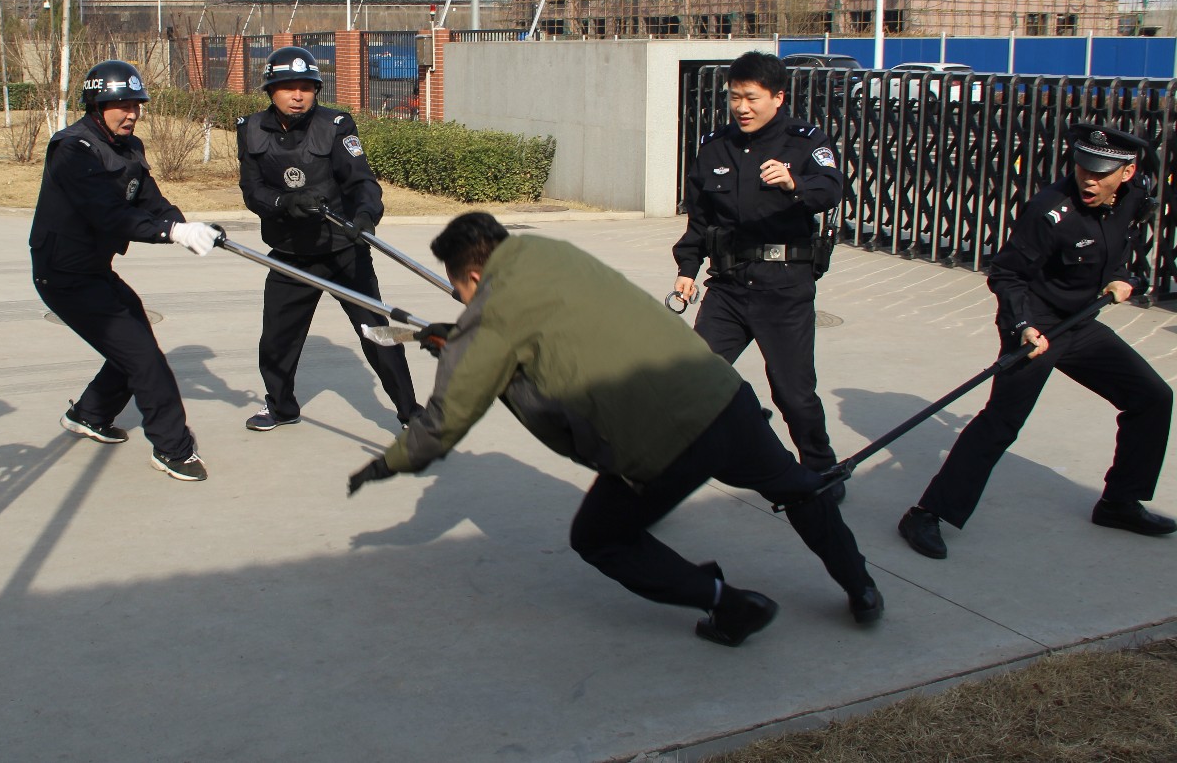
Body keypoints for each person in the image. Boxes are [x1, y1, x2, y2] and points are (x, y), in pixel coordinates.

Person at [348, 212, 881, 647]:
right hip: (720, 396)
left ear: (469, 274)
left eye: (462, 290)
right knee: (794, 485)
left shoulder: (487, 316)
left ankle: (730, 604)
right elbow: (538, 335)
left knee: (599, 538)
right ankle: (861, 586)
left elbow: (445, 420)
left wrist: (383, 464)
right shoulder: (551, 255)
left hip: (664, 445)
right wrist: (463, 335)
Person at [899, 123, 1174, 558]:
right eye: (1083, 167)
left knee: (1152, 398)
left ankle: (1119, 502)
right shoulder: (1050, 210)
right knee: (1001, 422)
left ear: (1127, 172)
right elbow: (1006, 274)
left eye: (1102, 172)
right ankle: (926, 514)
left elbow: (1126, 237)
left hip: (1081, 322)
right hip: (1038, 323)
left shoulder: (1135, 194)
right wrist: (1023, 326)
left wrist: (1121, 277)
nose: (1089, 178)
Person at [29, 59, 220, 482]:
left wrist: (186, 225)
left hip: (93, 269)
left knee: (134, 343)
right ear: (96, 104)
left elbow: (150, 201)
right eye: (121, 104)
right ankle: (173, 449)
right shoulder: (71, 150)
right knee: (145, 360)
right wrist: (170, 233)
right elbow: (110, 215)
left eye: (136, 104)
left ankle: (90, 414)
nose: (131, 112)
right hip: (62, 275)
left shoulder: (129, 148)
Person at [672, 51, 843, 487]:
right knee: (694, 380)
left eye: (751, 97)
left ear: (777, 97)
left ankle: (821, 467)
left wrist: (794, 183)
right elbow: (701, 218)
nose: (742, 107)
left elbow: (831, 188)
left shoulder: (805, 143)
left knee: (793, 393)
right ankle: (668, 473)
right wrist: (688, 268)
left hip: (784, 289)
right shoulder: (715, 147)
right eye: (734, 98)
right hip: (729, 288)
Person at [235, 47, 422, 431]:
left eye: (306, 87)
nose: (298, 95)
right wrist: (284, 202)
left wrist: (366, 217)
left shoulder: (336, 125)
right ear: (271, 90)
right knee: (276, 341)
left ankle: (411, 414)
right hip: (290, 254)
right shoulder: (250, 129)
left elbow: (362, 181)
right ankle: (282, 408)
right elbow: (252, 191)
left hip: (343, 251)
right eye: (288, 87)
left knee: (379, 334)